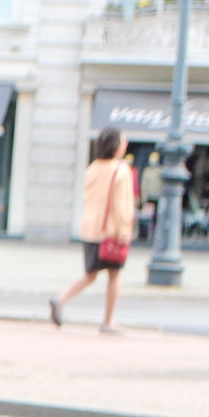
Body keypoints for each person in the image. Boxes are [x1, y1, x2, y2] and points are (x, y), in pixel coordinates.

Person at [53, 129, 139, 332]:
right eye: (123, 141)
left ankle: (61, 299)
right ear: (116, 145)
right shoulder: (121, 170)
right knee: (115, 275)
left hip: (91, 228)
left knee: (90, 274)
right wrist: (125, 230)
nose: (125, 144)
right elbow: (122, 205)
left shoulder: (92, 168)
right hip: (110, 230)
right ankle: (108, 321)